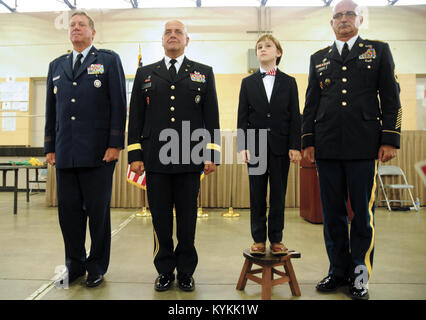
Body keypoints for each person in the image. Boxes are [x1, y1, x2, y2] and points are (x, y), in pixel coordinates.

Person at [302, 0, 401, 299]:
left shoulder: (378, 51)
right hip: (328, 146)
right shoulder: (319, 57)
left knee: (362, 215)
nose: (343, 19)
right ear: (331, 23)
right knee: (332, 215)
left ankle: (359, 275)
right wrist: (308, 141)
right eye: (338, 15)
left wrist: (390, 138)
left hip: (363, 145)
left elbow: (391, 98)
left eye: (349, 14)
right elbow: (311, 103)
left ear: (360, 20)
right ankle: (337, 271)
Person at [128, 20, 221, 292]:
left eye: (178, 32)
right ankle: (165, 270)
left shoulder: (203, 73)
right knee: (160, 219)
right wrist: (135, 152)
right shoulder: (145, 73)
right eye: (168, 32)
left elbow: (211, 116)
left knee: (187, 219)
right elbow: (136, 117)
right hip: (155, 158)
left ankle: (186, 271)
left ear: (186, 40)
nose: (172, 36)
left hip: (190, 158)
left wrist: (211, 153)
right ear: (162, 40)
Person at [44, 11, 127, 288]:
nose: (76, 28)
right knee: (68, 214)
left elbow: (118, 103)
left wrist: (115, 143)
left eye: (82, 25)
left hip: (98, 154)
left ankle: (96, 266)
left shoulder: (107, 60)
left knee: (97, 214)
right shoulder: (56, 65)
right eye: (72, 25)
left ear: (93, 32)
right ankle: (74, 265)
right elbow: (51, 111)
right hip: (65, 152)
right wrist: (50, 147)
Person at [237, 35, 301, 257]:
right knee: (256, 194)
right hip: (254, 147)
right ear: (256, 54)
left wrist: (295, 145)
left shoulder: (290, 82)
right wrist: (242, 145)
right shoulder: (247, 83)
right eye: (259, 47)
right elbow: (242, 117)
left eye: (268, 46)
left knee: (278, 195)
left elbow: (295, 117)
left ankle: (276, 238)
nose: (263, 49)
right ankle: (257, 239)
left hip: (281, 147)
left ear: (278, 52)